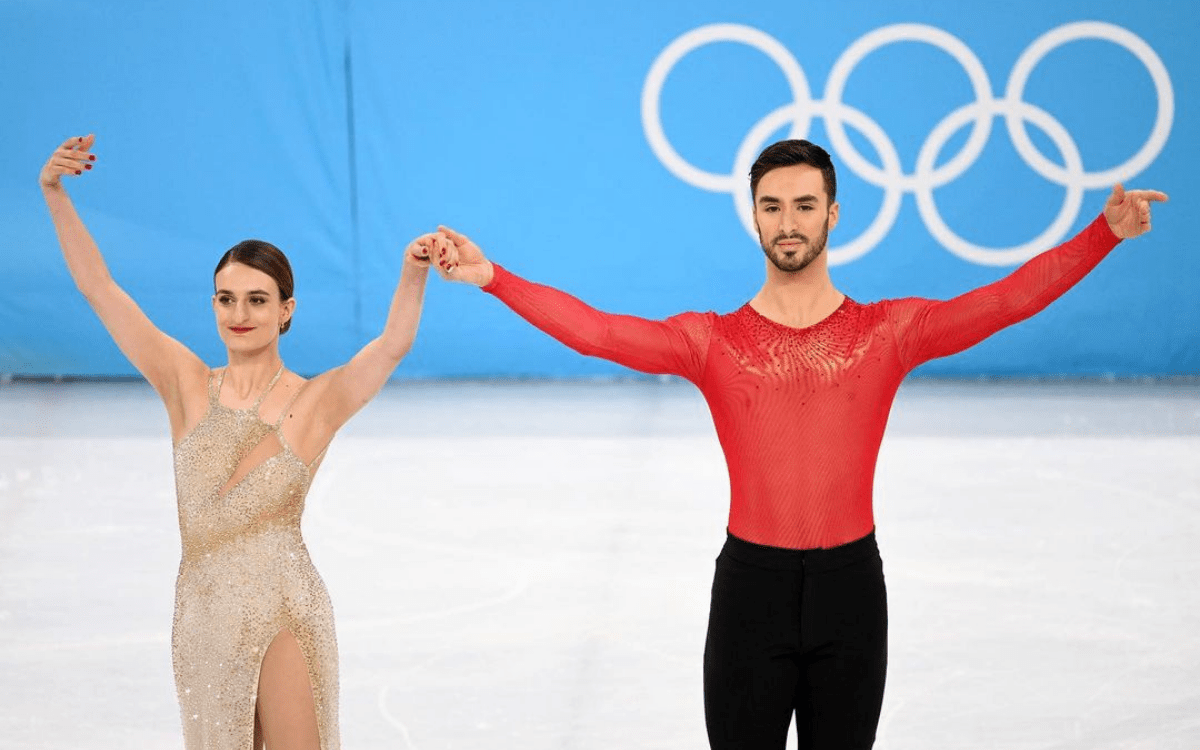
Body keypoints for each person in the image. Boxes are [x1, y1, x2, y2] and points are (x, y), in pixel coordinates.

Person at [426, 139, 1168, 750]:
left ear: (833, 215)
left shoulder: (889, 331)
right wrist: (494, 278)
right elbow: (600, 332)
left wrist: (1104, 235)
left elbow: (1005, 301)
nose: (789, 221)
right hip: (751, 594)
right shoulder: (711, 342)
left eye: (804, 206)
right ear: (753, 218)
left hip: (852, 592)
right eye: (773, 206)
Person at [39, 134, 446, 750]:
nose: (241, 313)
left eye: (258, 300)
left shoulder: (314, 402)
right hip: (202, 614)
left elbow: (391, 345)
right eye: (228, 299)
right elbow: (100, 287)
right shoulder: (186, 385)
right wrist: (53, 192)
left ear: (286, 310)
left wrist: (412, 272)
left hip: (285, 603)